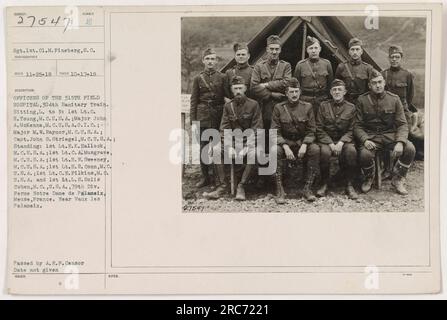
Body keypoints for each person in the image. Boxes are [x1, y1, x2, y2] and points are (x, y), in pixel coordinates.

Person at [354, 70, 416, 195]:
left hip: (389, 135)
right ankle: (369, 177)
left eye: (380, 82)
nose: (378, 85)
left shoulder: (394, 99)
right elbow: (357, 125)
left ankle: (398, 178)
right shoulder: (362, 100)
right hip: (371, 136)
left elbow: (402, 124)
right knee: (365, 155)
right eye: (374, 83)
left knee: (410, 148)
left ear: (384, 82)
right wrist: (365, 139)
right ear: (369, 85)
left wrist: (400, 141)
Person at [204, 76, 263, 200]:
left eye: (240, 88)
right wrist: (229, 146)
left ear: (245, 89)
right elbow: (224, 129)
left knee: (256, 153)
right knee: (215, 150)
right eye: (235, 88)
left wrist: (248, 146)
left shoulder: (254, 105)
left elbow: (257, 129)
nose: (238, 91)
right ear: (231, 90)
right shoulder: (228, 106)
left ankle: (242, 186)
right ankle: (222, 186)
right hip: (233, 142)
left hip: (248, 142)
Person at [270, 77, 320, 203]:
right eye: (291, 92)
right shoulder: (278, 108)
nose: (294, 94)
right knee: (275, 150)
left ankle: (307, 188)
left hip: (301, 142)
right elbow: (274, 131)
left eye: (296, 91)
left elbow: (311, 130)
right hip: (285, 142)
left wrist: (305, 144)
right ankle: (280, 190)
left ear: (300, 92)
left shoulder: (307, 107)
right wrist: (285, 147)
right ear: (286, 93)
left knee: (314, 149)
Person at [316, 79, 358, 199]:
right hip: (327, 140)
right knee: (324, 152)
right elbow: (319, 128)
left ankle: (349, 184)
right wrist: (330, 143)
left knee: (351, 151)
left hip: (344, 141)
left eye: (340, 89)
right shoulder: (323, 106)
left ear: (345, 92)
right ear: (330, 92)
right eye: (334, 90)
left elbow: (352, 129)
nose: (337, 92)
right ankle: (324, 182)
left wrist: (341, 142)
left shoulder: (351, 108)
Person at [190, 47, 225, 188]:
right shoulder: (198, 78)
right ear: (203, 61)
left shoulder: (222, 77)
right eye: (207, 59)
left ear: (216, 61)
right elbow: (194, 100)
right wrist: (194, 121)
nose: (210, 62)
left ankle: (217, 179)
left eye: (213, 59)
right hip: (203, 116)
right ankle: (205, 177)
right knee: (203, 148)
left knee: (216, 147)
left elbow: (226, 97)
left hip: (217, 115)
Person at [250, 35, 292, 134]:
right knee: (263, 132)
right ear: (267, 50)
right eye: (271, 49)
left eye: (276, 49)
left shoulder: (286, 66)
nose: (274, 52)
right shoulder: (259, 67)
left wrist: (266, 84)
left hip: (281, 105)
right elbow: (254, 87)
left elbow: (286, 83)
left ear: (280, 50)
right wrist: (272, 94)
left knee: (278, 132)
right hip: (264, 106)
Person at [294, 36, 334, 114]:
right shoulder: (300, 65)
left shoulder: (327, 64)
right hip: (305, 101)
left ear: (320, 49)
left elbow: (330, 84)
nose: (313, 51)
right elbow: (296, 85)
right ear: (307, 50)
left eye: (316, 48)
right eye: (311, 48)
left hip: (322, 101)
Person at [335, 38, 375, 104]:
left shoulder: (368, 68)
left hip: (362, 102)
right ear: (349, 51)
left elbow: (371, 89)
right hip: (346, 102)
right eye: (352, 49)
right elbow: (337, 86)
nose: (355, 52)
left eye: (357, 49)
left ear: (361, 51)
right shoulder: (341, 67)